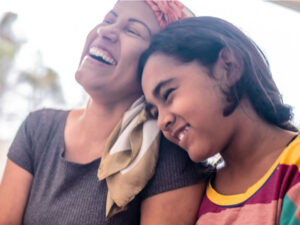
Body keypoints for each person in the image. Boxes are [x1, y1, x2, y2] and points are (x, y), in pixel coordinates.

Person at [0, 2, 212, 225]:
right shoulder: (38, 128)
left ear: (157, 67)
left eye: (132, 30)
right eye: (109, 20)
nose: (106, 31)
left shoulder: (170, 153)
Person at [139, 16, 300, 224]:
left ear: (229, 67)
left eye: (168, 94)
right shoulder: (198, 195)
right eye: (154, 112)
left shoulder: (294, 167)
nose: (162, 122)